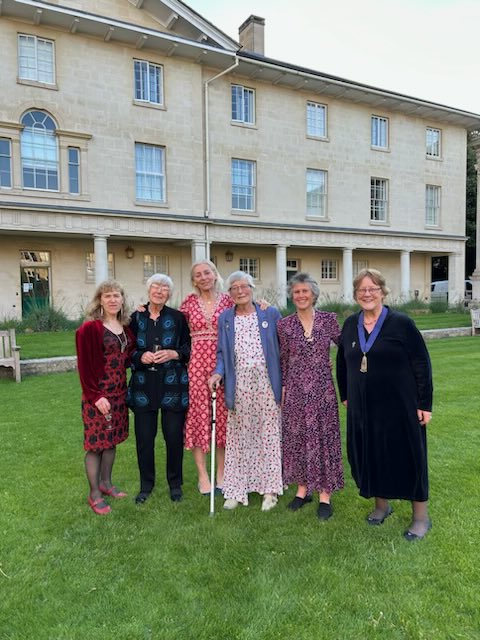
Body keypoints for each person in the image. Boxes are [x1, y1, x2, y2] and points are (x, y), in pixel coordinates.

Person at [336, 268, 433, 540]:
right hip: (364, 408)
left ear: (383, 292)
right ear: (356, 295)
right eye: (362, 290)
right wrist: (345, 394)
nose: (367, 294)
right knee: (371, 454)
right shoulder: (350, 324)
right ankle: (381, 506)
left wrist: (424, 404)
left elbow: (421, 364)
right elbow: (343, 362)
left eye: (373, 289)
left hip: (400, 406)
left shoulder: (401, 323)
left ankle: (421, 517)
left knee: (410, 456)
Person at [208, 271, 283, 511]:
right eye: (234, 288)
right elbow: (222, 352)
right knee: (240, 434)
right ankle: (237, 488)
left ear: (252, 288)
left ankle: (270, 490)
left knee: (269, 433)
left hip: (266, 380)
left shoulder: (269, 313)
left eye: (244, 286)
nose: (240, 291)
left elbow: (285, 345)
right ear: (228, 293)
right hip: (238, 381)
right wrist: (218, 372)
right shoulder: (226, 319)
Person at [278, 273, 344, 520]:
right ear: (292, 296)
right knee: (299, 438)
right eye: (296, 292)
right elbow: (284, 359)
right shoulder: (284, 325)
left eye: (305, 291)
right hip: (295, 391)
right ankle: (302, 490)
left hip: (322, 390)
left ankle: (325, 494)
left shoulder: (328, 320)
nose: (301, 295)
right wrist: (283, 388)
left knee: (324, 438)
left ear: (314, 294)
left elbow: (348, 349)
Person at [129, 274, 190, 504]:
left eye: (165, 287)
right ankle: (146, 485)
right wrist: (139, 356)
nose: (160, 290)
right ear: (148, 289)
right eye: (156, 286)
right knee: (145, 438)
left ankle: (175, 484)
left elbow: (188, 347)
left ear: (169, 293)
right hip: (144, 386)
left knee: (174, 437)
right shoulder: (134, 317)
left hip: (172, 384)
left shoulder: (177, 318)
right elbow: (126, 350)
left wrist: (175, 353)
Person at [76, 280, 134, 515]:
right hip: (99, 395)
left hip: (119, 393)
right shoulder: (90, 328)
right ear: (100, 300)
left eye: (116, 295)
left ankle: (106, 483)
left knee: (111, 440)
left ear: (122, 299)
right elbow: (85, 367)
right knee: (96, 444)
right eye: (107, 295)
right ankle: (94, 494)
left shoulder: (125, 327)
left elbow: (127, 358)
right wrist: (95, 396)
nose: (112, 299)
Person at [179, 260, 233, 495]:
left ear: (215, 274)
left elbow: (248, 317)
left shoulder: (229, 300)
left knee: (222, 419)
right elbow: (173, 328)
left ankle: (221, 474)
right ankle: (203, 477)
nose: (203, 277)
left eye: (207, 272)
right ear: (194, 280)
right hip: (197, 366)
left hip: (225, 363)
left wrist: (262, 305)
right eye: (198, 275)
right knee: (199, 417)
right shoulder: (188, 303)